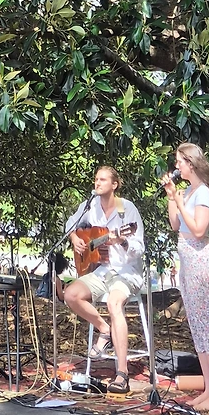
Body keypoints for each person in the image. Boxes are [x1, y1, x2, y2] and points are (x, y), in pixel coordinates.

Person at [162, 144, 209, 412]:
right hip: (187, 264)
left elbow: (198, 230)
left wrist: (180, 201)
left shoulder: (203, 192)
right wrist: (172, 197)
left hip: (200, 263)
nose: (176, 167)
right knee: (198, 327)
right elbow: (176, 225)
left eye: (179, 162)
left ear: (191, 163)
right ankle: (208, 389)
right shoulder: (187, 192)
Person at [62, 164, 146, 395]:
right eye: (96, 179)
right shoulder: (90, 206)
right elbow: (70, 223)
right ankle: (104, 329)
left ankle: (122, 373)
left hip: (126, 272)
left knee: (113, 302)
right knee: (70, 294)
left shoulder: (127, 209)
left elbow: (139, 247)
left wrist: (123, 241)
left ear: (114, 185)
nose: (97, 183)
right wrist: (74, 239)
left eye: (102, 180)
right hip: (102, 270)